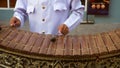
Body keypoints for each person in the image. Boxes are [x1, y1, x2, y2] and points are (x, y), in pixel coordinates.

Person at [10, 0, 84, 35]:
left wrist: (68, 25)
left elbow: (78, 11)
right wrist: (18, 18)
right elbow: (21, 11)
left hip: (58, 41)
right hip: (35, 43)